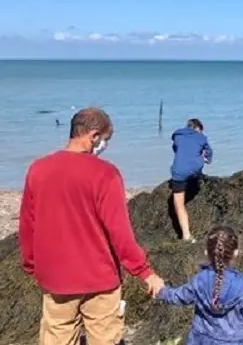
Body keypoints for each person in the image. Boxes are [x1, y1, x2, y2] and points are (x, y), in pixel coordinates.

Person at [18, 107, 164, 345]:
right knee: (105, 338)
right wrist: (145, 272)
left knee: (57, 336)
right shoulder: (106, 174)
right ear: (94, 136)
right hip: (100, 278)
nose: (104, 146)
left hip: (56, 277)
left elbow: (28, 225)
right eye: (106, 140)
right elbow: (120, 233)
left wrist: (32, 264)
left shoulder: (39, 169)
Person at [157, 226, 243, 345]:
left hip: (201, 338)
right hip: (235, 340)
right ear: (235, 253)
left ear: (206, 252)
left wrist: (161, 291)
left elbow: (179, 296)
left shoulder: (199, 280)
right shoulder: (241, 285)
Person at [170, 118, 213, 242]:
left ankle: (186, 235)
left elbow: (176, 149)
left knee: (179, 204)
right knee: (197, 164)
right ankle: (197, 177)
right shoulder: (201, 137)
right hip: (195, 168)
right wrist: (207, 160)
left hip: (178, 172)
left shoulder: (178, 136)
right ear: (197, 128)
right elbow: (209, 153)